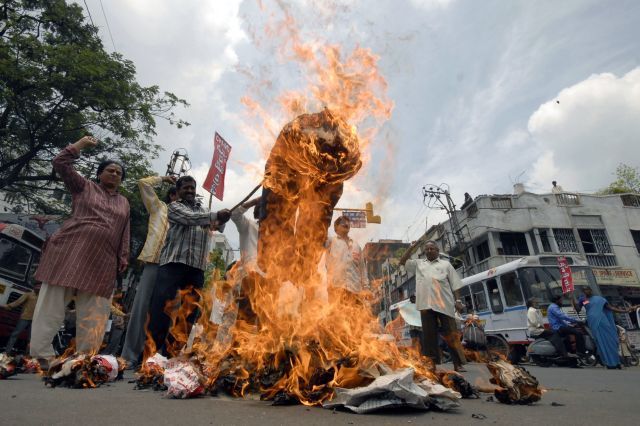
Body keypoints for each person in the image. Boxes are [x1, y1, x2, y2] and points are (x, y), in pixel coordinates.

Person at [30, 136, 130, 366]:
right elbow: (60, 163)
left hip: (102, 260)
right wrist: (81, 144)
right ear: (99, 174)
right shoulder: (83, 186)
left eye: (118, 173)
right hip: (69, 251)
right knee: (52, 304)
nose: (114, 174)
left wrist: (123, 256)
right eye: (110, 170)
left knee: (95, 310)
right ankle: (41, 354)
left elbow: (124, 230)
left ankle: (84, 358)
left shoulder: (124, 202)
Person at [147, 175, 231, 356]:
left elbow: (217, 225)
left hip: (196, 269)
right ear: (177, 191)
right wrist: (216, 215)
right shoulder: (174, 207)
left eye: (192, 188)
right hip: (173, 265)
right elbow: (190, 218)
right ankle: (150, 357)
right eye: (186, 188)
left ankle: (172, 355)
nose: (190, 191)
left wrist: (223, 217)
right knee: (162, 309)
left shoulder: (204, 209)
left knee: (188, 314)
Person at [120, 175, 177, 368]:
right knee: (140, 308)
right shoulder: (159, 208)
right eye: (177, 194)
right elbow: (143, 184)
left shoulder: (189, 215)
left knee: (167, 312)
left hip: (174, 267)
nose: (181, 198)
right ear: (171, 196)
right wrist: (163, 178)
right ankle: (129, 356)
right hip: (154, 261)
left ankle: (157, 358)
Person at [399, 240, 467, 372]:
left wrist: (458, 301)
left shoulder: (446, 265)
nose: (429, 251)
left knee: (451, 335)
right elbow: (402, 262)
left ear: (437, 250)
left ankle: (458, 363)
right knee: (429, 337)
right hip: (426, 306)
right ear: (424, 252)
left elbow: (455, 284)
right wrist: (411, 249)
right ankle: (432, 363)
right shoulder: (419, 264)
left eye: (432, 249)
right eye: (427, 249)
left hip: (444, 305)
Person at [574, 287, 632, 369]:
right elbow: (578, 310)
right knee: (600, 342)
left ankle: (617, 362)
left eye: (588, 290)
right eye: (584, 290)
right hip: (593, 321)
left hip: (603, 321)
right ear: (583, 292)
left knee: (610, 341)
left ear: (591, 290)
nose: (586, 291)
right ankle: (608, 363)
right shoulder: (583, 300)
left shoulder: (600, 299)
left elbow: (611, 308)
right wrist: (572, 299)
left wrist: (625, 311)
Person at [230, 197, 261, 324]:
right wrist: (256, 201)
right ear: (257, 213)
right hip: (248, 279)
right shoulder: (248, 226)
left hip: (267, 281)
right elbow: (235, 214)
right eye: (264, 207)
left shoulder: (276, 233)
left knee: (263, 323)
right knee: (245, 321)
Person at [325, 216, 369, 298]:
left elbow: (362, 269)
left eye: (348, 222)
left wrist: (366, 288)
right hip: (336, 289)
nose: (346, 224)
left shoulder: (356, 245)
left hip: (355, 291)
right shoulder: (330, 242)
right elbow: (319, 237)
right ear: (336, 227)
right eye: (343, 222)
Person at [1, 287, 39, 354]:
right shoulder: (28, 294)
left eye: (40, 287)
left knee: (31, 339)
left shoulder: (41, 298)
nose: (39, 288)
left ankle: (27, 355)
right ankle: (7, 352)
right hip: (25, 317)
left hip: (35, 320)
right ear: (35, 287)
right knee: (15, 334)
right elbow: (18, 302)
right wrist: (8, 306)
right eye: (38, 287)